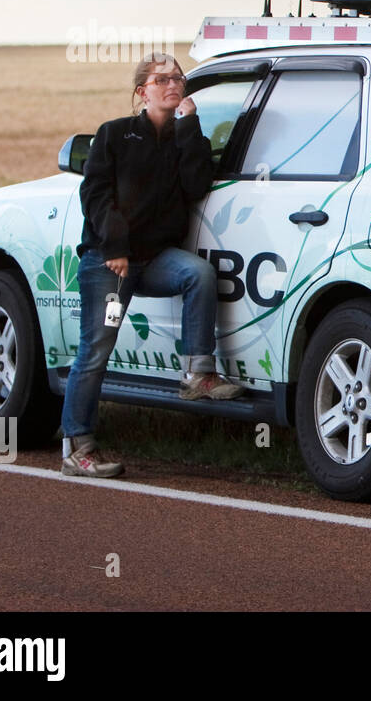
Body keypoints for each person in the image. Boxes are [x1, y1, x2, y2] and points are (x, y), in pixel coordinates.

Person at [60, 51, 243, 478]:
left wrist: (190, 124)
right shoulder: (115, 135)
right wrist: (116, 247)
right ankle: (77, 447)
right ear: (142, 92)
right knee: (96, 349)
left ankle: (197, 375)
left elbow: (197, 185)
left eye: (177, 77)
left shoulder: (184, 137)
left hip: (154, 261)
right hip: (110, 265)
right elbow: (97, 198)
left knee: (197, 273)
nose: (173, 83)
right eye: (161, 80)